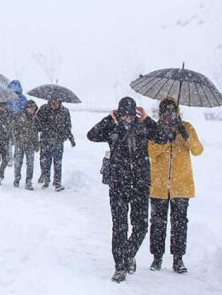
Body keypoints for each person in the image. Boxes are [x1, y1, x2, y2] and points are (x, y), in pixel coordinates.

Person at [87, 97, 168, 283]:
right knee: (119, 227)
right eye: (123, 115)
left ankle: (128, 254)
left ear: (135, 114)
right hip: (118, 184)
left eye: (130, 115)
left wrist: (147, 119)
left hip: (140, 184)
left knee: (140, 226)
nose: (127, 118)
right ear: (118, 113)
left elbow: (163, 137)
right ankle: (120, 267)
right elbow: (91, 135)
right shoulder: (112, 128)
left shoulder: (143, 126)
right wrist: (109, 120)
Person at [148, 98, 203, 274]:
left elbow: (198, 150)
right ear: (160, 113)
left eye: (171, 112)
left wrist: (184, 136)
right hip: (158, 185)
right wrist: (164, 139)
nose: (168, 116)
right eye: (164, 113)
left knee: (179, 223)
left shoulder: (186, 127)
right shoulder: (154, 128)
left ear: (176, 112)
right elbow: (150, 151)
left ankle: (178, 258)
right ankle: (157, 257)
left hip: (182, 186)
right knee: (157, 222)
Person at [36, 99, 75, 191]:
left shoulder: (65, 111)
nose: (54, 104)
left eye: (56, 103)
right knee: (46, 162)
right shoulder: (44, 109)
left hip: (58, 141)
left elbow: (68, 126)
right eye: (52, 102)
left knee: (58, 163)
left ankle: (57, 182)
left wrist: (71, 139)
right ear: (49, 102)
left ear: (60, 102)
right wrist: (46, 125)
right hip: (46, 140)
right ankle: (46, 181)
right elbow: (37, 124)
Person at [11, 100, 39, 190]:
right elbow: (13, 128)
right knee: (18, 163)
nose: (32, 110)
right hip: (19, 144)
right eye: (31, 109)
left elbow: (35, 133)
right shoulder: (18, 116)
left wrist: (36, 144)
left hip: (30, 145)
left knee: (30, 164)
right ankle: (17, 179)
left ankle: (28, 182)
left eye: (34, 109)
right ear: (27, 108)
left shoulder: (35, 119)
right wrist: (16, 139)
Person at [7, 80, 28, 167]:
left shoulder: (9, 97)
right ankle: (11, 158)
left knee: (14, 140)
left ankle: (13, 158)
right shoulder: (22, 98)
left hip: (17, 122)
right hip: (13, 122)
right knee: (12, 140)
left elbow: (25, 109)